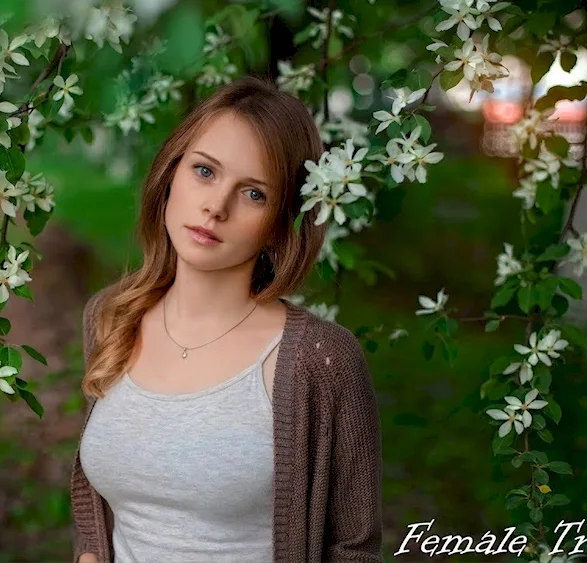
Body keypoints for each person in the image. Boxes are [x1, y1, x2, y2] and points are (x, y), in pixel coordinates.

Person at [70, 75, 383, 563]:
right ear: (170, 174)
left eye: (253, 194)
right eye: (204, 171)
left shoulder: (321, 362)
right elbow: (107, 513)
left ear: (283, 222)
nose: (215, 206)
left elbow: (355, 548)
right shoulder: (112, 317)